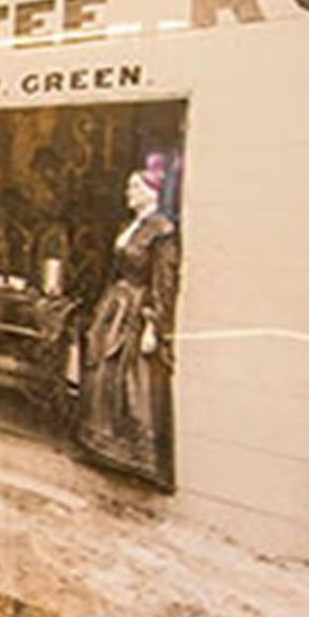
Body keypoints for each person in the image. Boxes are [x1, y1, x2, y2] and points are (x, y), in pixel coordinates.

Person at [76, 164, 180, 490]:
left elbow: (164, 283)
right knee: (103, 371)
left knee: (132, 379)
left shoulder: (162, 229)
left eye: (134, 187)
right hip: (115, 304)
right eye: (128, 187)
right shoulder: (131, 225)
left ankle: (138, 459)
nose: (128, 193)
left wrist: (154, 325)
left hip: (136, 308)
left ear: (151, 191)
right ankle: (102, 448)